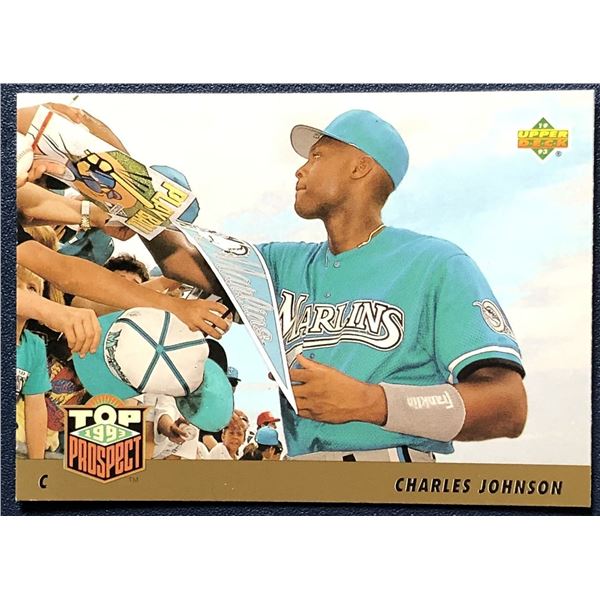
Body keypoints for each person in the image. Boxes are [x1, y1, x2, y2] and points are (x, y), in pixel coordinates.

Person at [146, 109, 527, 462]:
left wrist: (371, 402)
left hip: (391, 474)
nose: (300, 170)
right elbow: (180, 262)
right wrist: (135, 199)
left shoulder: (436, 264)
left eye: (317, 156)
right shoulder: (280, 263)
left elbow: (508, 407)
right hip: (302, 476)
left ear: (360, 166)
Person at [15, 265, 51, 459]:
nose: (24, 293)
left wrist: (37, 465)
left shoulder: (35, 346)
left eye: (32, 288)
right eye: (14, 284)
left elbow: (36, 408)